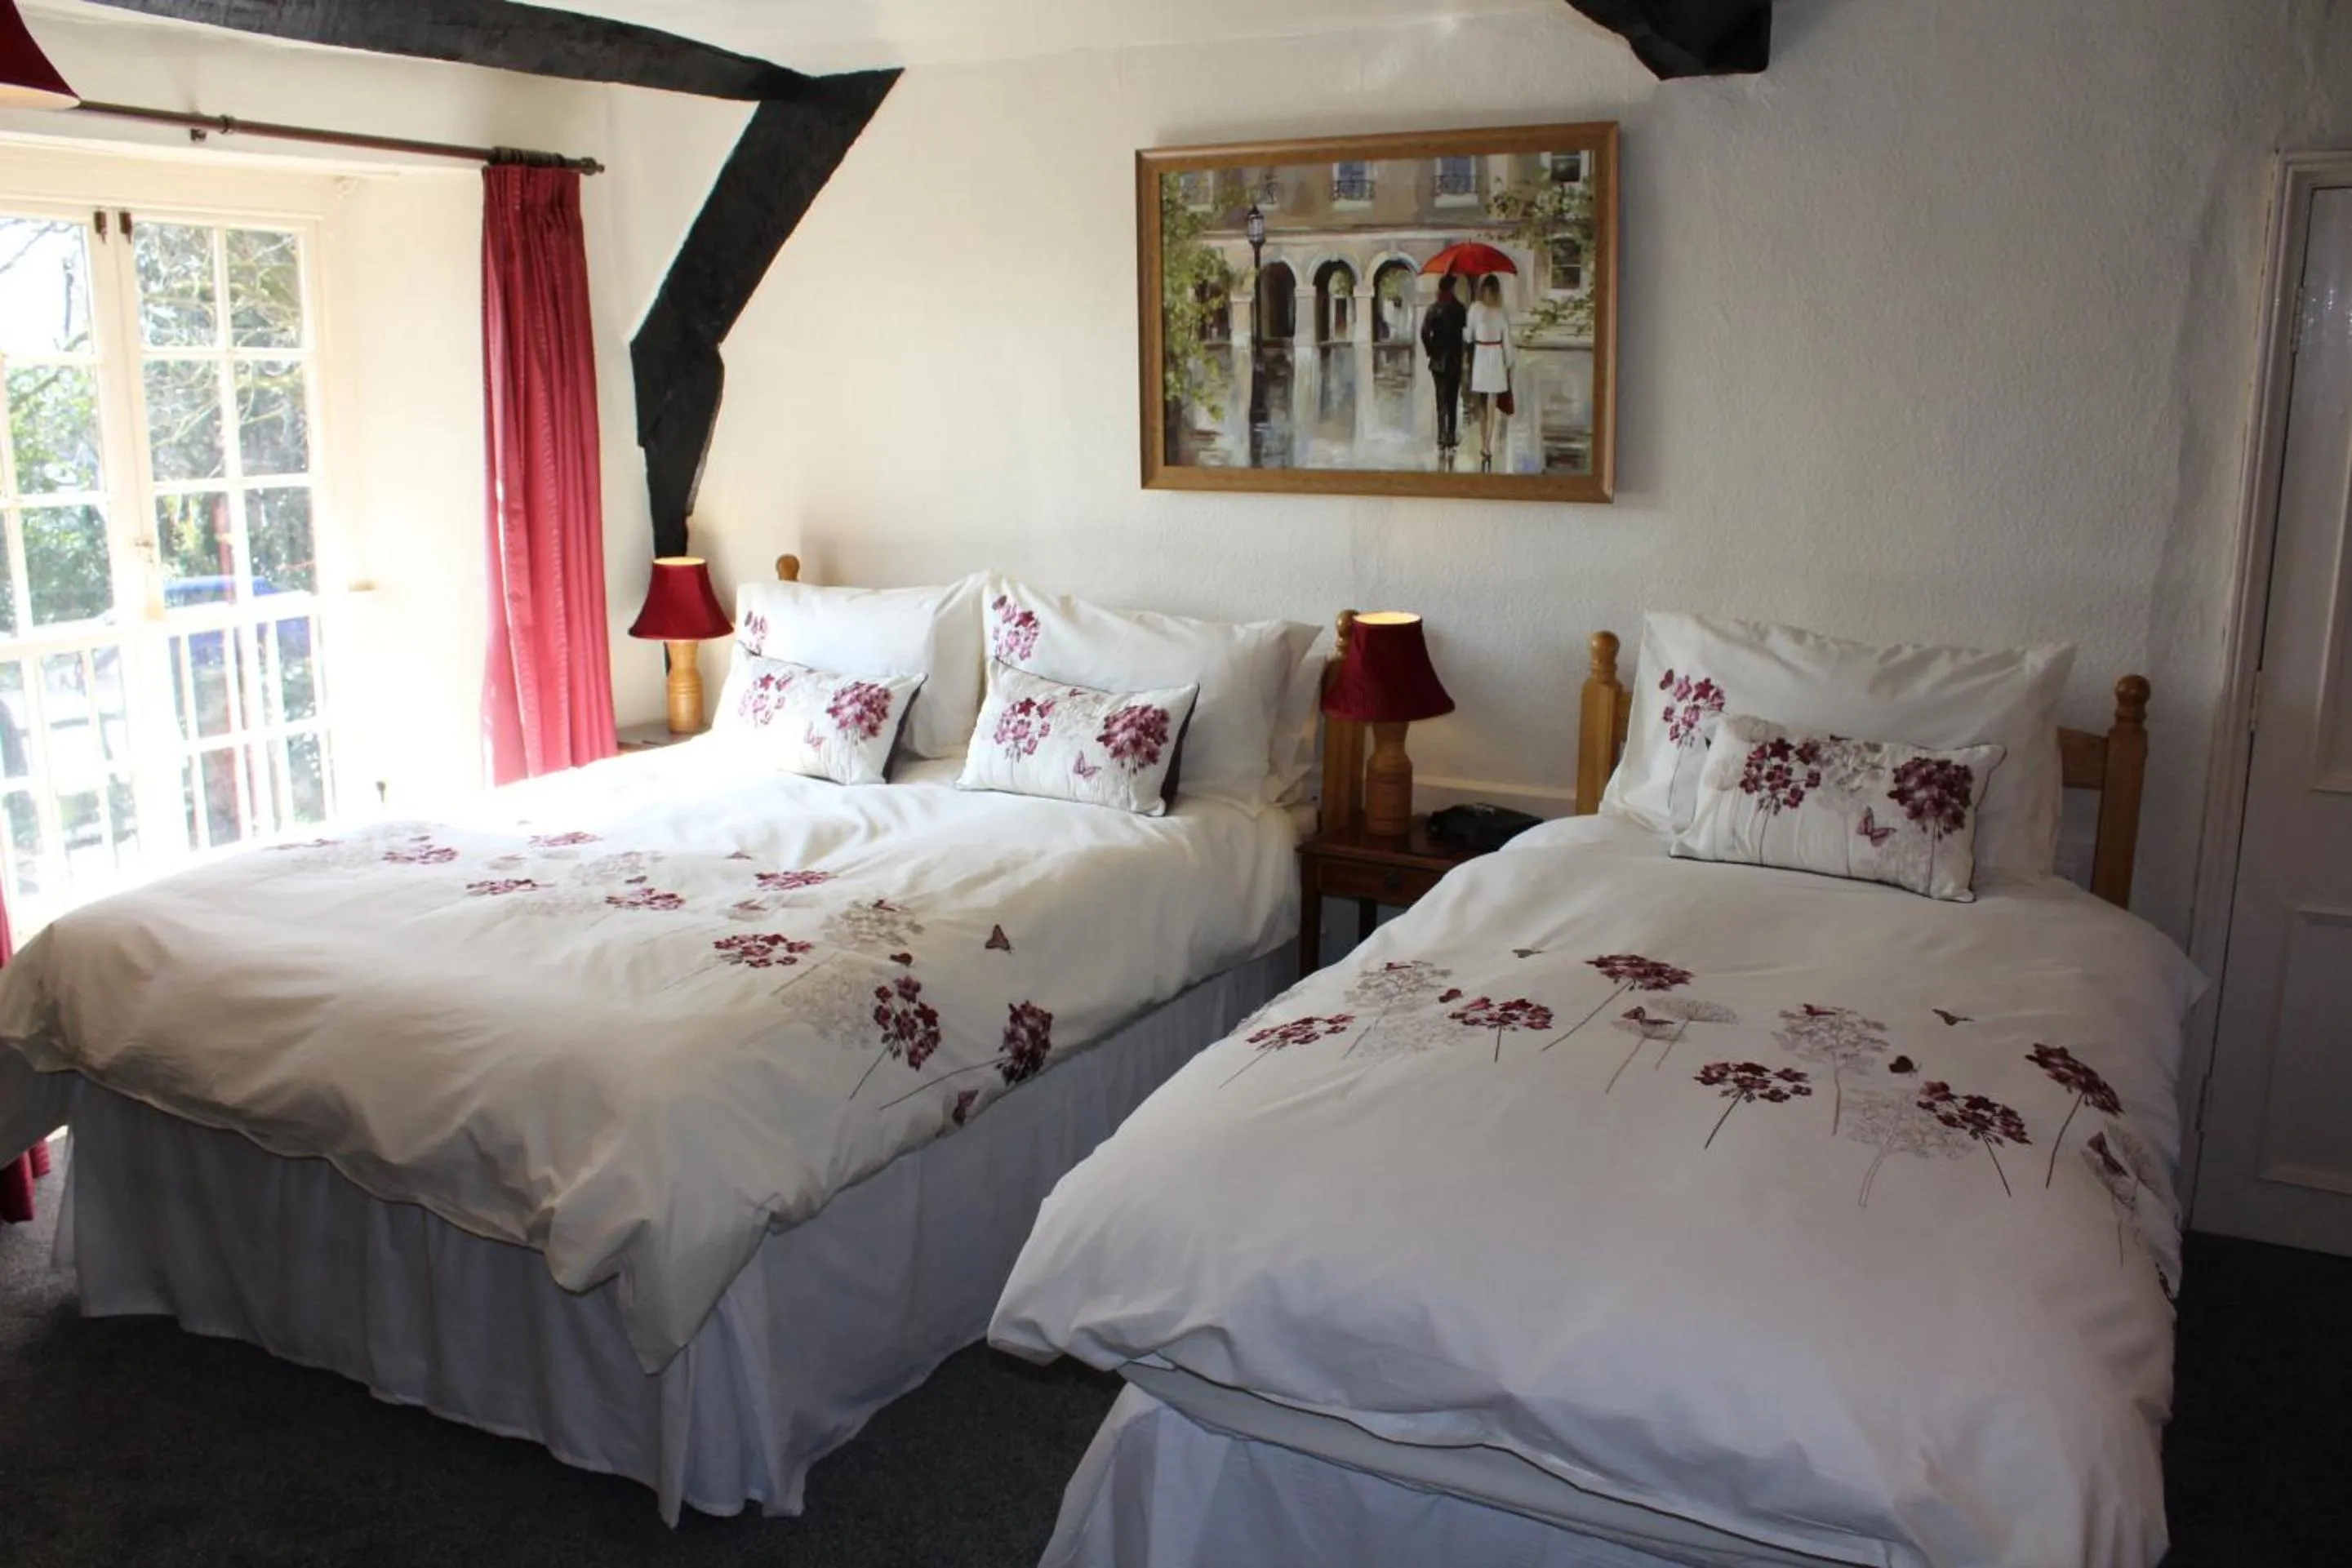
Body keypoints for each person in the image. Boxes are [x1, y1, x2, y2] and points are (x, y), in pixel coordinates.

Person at [1465, 273, 1515, 471]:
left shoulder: (1475, 309)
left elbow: (1468, 336)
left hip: (1482, 354)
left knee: (1482, 402)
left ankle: (1484, 443)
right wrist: (1509, 363)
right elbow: (1507, 341)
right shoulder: (1501, 312)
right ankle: (1487, 444)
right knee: (1490, 402)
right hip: (1495, 355)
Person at [1418, 273, 1467, 462]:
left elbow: (1424, 333)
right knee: (1453, 399)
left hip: (1438, 360)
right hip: (1454, 359)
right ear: (1452, 288)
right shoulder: (1460, 309)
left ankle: (1441, 436)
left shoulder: (1434, 309)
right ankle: (1451, 436)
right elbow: (1464, 334)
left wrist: (1431, 350)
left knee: (1441, 399)